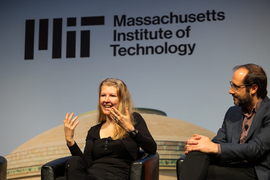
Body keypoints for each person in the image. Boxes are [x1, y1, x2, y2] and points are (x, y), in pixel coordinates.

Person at [179, 63, 270, 180]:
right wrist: (200, 145)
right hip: (231, 165)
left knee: (206, 172)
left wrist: (215, 147)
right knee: (196, 153)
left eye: (236, 87)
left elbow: (255, 148)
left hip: (255, 171)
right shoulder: (232, 112)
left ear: (253, 88)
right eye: (231, 85)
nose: (230, 91)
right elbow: (219, 141)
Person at [60, 78, 157, 180]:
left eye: (112, 96)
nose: (106, 100)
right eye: (103, 95)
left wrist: (131, 130)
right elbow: (87, 163)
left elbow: (151, 148)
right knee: (73, 162)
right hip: (91, 175)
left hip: (116, 176)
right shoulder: (93, 131)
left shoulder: (134, 120)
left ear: (122, 99)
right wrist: (70, 141)